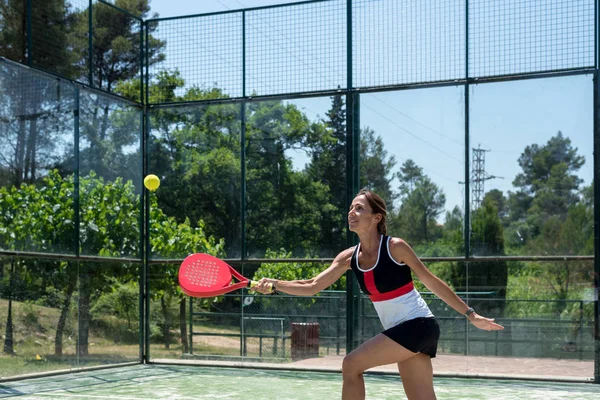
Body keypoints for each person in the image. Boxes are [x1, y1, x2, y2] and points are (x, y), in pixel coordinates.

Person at [253, 189, 504, 400]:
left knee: (350, 365)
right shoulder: (348, 257)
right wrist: (275, 284)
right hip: (411, 333)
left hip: (418, 326)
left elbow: (431, 281)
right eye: (351, 208)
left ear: (376, 217)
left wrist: (471, 314)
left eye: (359, 208)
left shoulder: (395, 247)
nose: (352, 212)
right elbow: (312, 285)